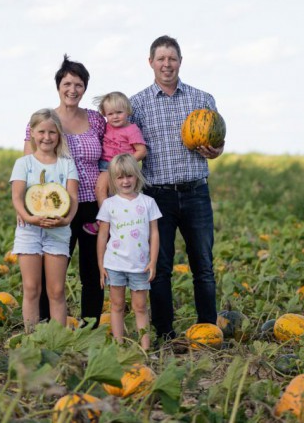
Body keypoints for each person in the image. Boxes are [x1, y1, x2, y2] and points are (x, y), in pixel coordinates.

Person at [130, 35, 225, 342]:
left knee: (203, 265)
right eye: (161, 59)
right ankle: (165, 333)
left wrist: (215, 150)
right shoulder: (137, 104)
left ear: (180, 62)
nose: (166, 64)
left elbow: (218, 142)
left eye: (172, 58)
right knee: (160, 267)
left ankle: (207, 330)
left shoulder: (202, 99)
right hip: (157, 196)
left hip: (196, 191)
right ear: (151, 63)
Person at [23, 55, 105, 327]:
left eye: (79, 84)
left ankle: (90, 325)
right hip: (54, 205)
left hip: (92, 204)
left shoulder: (96, 120)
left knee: (92, 270)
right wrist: (24, 209)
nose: (73, 89)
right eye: (67, 83)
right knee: (52, 270)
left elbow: (111, 155)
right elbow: (29, 166)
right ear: (58, 86)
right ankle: (47, 325)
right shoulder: (45, 121)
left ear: (85, 88)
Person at [11, 108, 79, 331]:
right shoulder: (24, 163)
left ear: (59, 135)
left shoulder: (66, 163)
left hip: (58, 231)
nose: (47, 137)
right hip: (29, 231)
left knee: (57, 291)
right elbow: (17, 197)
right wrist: (28, 217)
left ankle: (57, 341)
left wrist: (65, 220)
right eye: (41, 131)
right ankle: (32, 337)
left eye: (52, 132)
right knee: (31, 288)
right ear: (32, 133)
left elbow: (73, 198)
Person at [96, 154, 161, 350]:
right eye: (120, 177)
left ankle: (145, 348)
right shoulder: (109, 204)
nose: (125, 181)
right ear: (113, 180)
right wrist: (100, 264)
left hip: (139, 265)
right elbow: (102, 235)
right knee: (116, 306)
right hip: (114, 264)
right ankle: (119, 345)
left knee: (140, 307)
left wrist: (153, 261)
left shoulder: (148, 202)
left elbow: (155, 234)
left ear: (137, 176)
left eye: (129, 176)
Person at [83, 91, 147, 235]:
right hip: (105, 164)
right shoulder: (107, 126)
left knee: (107, 190)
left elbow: (141, 151)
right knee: (108, 193)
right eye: (110, 114)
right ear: (105, 114)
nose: (115, 117)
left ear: (128, 111)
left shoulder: (131, 130)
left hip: (121, 168)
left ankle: (104, 220)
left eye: (119, 112)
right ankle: (110, 219)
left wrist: (123, 164)